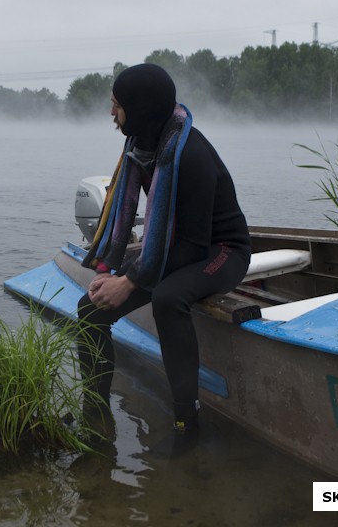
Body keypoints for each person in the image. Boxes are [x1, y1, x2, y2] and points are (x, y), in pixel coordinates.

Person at [77, 63, 251, 437]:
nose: (111, 112)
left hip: (220, 250)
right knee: (89, 309)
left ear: (139, 109)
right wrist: (108, 270)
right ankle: (94, 413)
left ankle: (186, 422)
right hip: (176, 245)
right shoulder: (140, 145)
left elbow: (192, 247)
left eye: (116, 104)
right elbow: (132, 223)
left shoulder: (190, 156)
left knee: (168, 299)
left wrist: (130, 281)